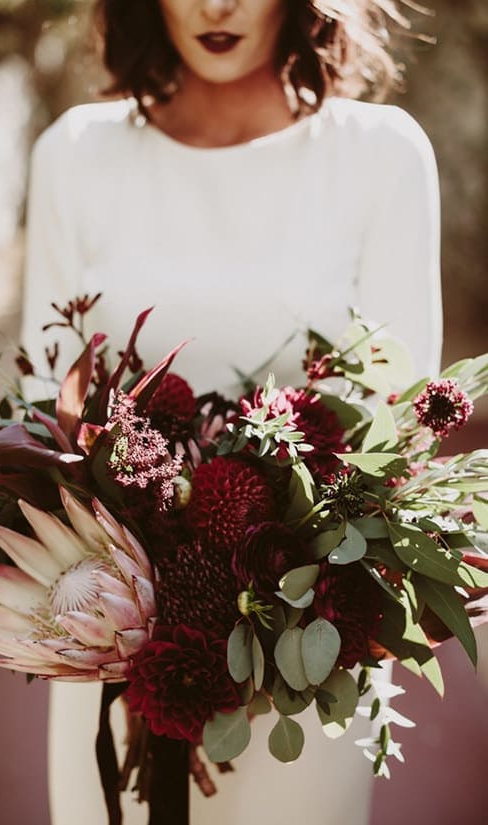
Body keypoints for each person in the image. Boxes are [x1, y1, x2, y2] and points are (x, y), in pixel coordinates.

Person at [22, 2, 442, 823]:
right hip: (110, 660)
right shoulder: (73, 154)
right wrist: (144, 643)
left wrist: (249, 639)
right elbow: (49, 419)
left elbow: (397, 436)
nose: (218, 6)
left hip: (307, 664)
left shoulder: (383, 157)